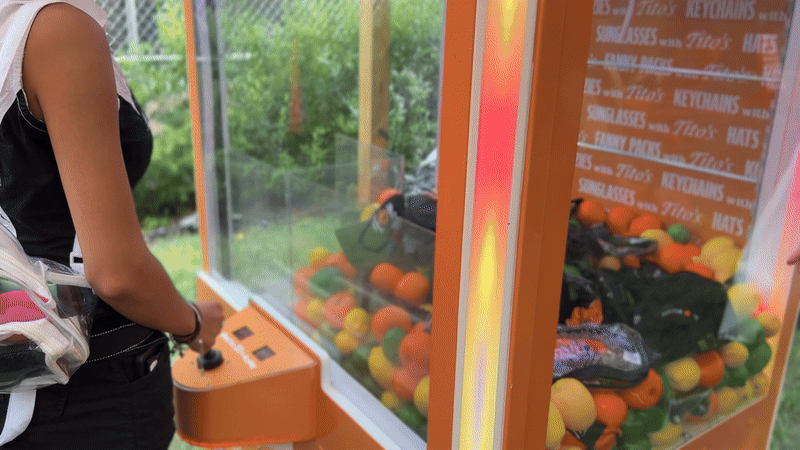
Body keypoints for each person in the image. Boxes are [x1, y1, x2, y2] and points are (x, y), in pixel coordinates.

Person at [0, 1, 224, 448]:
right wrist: (195, 323)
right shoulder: (58, 30)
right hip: (87, 389)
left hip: (21, 372)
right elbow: (118, 275)